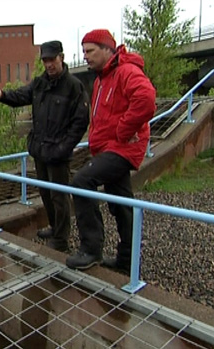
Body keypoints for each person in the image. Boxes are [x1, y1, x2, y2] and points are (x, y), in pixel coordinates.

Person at [0, 40, 89, 253]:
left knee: (60, 197)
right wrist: (2, 95)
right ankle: (53, 227)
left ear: (62, 57)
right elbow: (22, 95)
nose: (49, 64)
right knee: (45, 193)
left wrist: (64, 148)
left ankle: (61, 239)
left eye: (52, 59)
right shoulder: (40, 83)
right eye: (45, 60)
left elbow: (80, 122)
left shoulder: (73, 87)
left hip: (58, 154)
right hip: (41, 151)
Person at [65, 29, 156, 273]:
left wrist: (123, 130)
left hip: (122, 148)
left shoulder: (126, 71)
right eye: (84, 51)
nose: (85, 56)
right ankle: (127, 261)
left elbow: (146, 99)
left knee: (82, 180)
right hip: (109, 148)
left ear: (107, 49)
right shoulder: (101, 79)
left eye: (90, 51)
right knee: (122, 204)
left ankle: (91, 249)